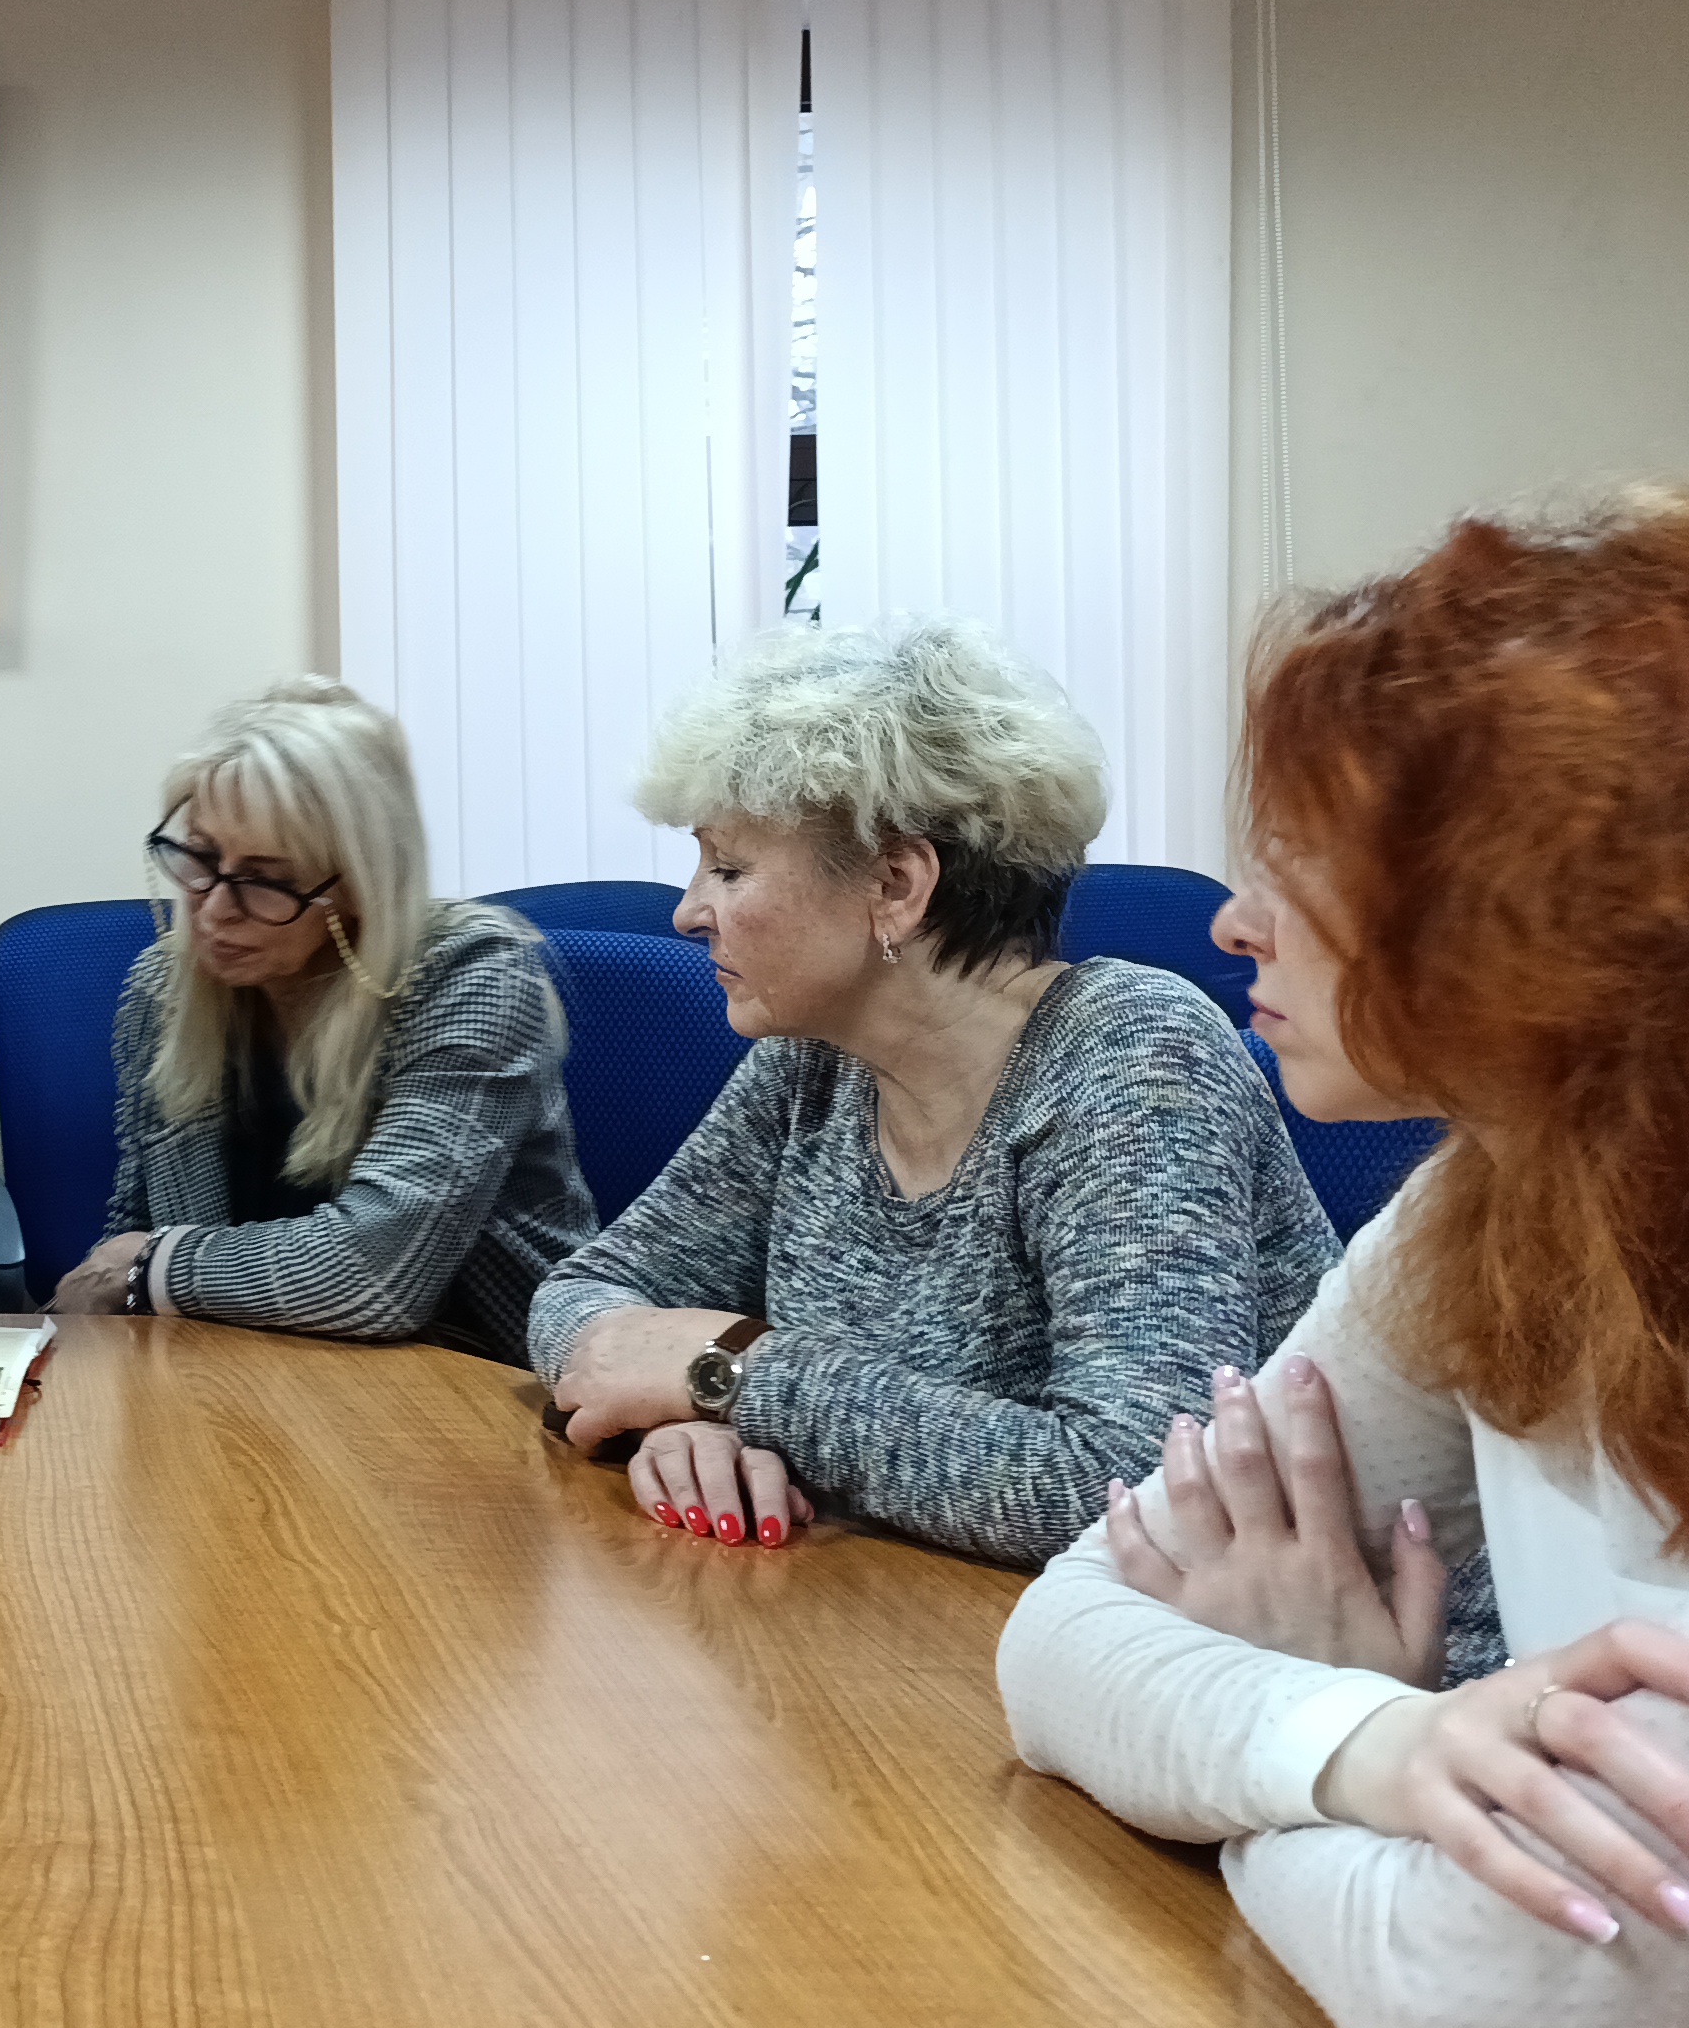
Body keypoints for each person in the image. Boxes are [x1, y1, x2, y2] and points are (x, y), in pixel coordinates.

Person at [1000, 493, 1689, 2028]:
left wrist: (1274, 1752)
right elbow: (1061, 1639)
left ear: (1545, 910)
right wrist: (1362, 1740)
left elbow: (1465, 1999)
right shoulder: (1493, 1197)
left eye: (1305, 857)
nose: (1234, 919)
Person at [528, 617, 1332, 1563]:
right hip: (890, 1613)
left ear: (897, 884)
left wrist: (737, 1376)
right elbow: (587, 1296)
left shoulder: (1133, 1054)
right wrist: (690, 1419)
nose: (687, 911)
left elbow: (1137, 1488)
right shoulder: (815, 1060)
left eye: (730, 868)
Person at [47, 676, 591, 1364]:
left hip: (468, 1374)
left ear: (359, 885)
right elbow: (134, 1225)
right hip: (241, 1364)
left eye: (266, 879)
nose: (213, 910)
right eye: (201, 858)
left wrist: (152, 1266)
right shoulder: (166, 988)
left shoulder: (473, 976)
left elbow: (377, 1275)